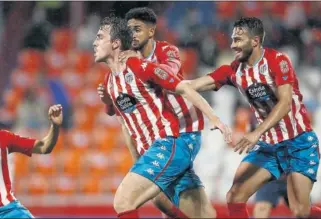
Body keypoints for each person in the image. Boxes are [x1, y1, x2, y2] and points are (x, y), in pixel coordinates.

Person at [93, 16, 231, 218]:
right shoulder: (110, 82)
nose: (94, 42)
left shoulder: (141, 67)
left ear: (115, 43)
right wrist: (137, 161)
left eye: (99, 37)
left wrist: (216, 119)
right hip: (154, 151)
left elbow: (183, 87)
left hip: (169, 144)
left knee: (124, 201)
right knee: (201, 214)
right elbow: (124, 122)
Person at [187, 17, 321, 218]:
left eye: (238, 40)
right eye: (233, 39)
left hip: (298, 143)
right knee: (234, 196)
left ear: (255, 41)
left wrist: (256, 133)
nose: (233, 45)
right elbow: (193, 85)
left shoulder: (277, 61)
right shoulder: (234, 70)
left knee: (300, 212)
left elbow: (284, 104)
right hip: (269, 147)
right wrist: (161, 83)